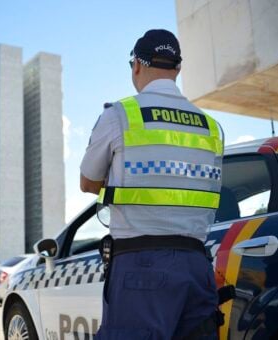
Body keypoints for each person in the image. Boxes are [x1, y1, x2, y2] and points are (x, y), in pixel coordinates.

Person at [80, 29, 224, 339]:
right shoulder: (211, 127)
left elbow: (88, 182)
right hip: (197, 266)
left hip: (140, 266)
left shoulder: (120, 115)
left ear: (136, 65)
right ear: (178, 69)